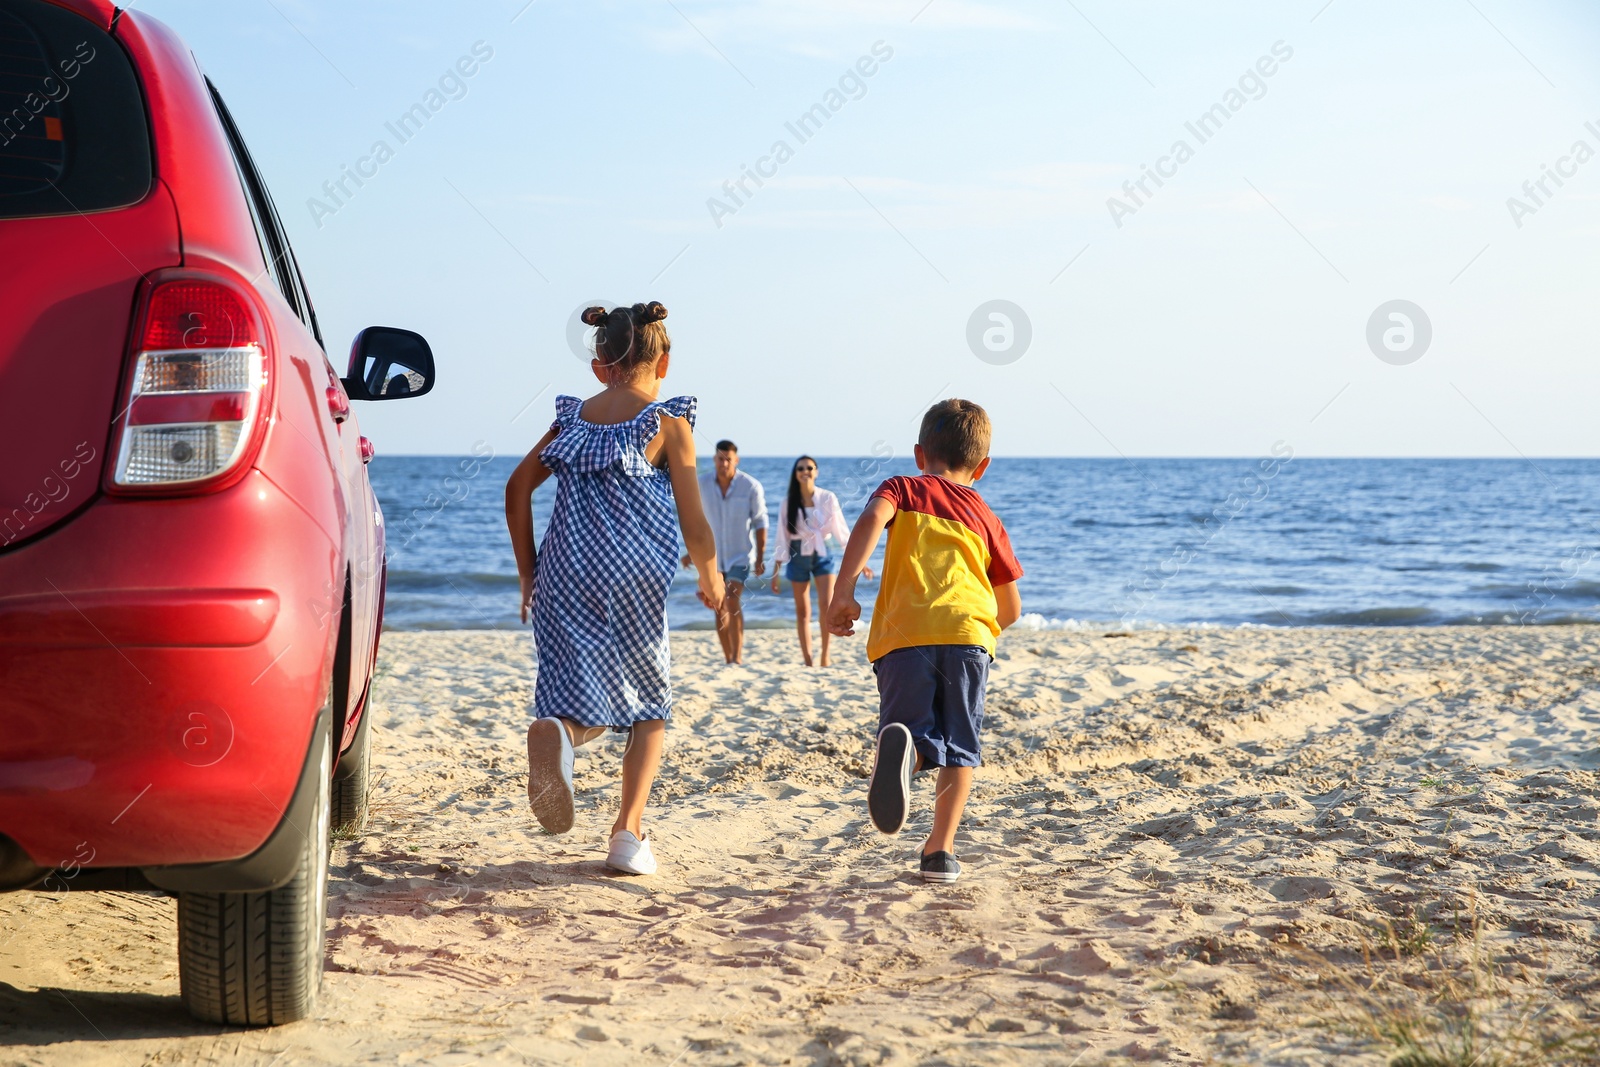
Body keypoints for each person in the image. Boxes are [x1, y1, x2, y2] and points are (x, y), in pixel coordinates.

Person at [504, 301, 723, 876]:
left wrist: (529, 570)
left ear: (599, 366)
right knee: (649, 706)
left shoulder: (571, 422)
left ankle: (562, 733)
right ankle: (628, 833)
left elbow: (516, 488)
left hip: (562, 573)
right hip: (631, 580)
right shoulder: (668, 424)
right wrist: (711, 575)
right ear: (665, 362)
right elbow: (694, 522)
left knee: (582, 697)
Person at [825, 399, 1022, 884]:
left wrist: (844, 589)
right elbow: (1011, 607)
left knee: (908, 728)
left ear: (919, 454)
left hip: (903, 635)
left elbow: (871, 520)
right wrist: (980, 631)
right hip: (967, 636)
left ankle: (907, 755)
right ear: (983, 466)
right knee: (960, 748)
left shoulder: (902, 488)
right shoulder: (986, 517)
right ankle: (939, 851)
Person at [770, 456, 862, 667]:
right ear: (795, 473)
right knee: (803, 611)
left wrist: (860, 561)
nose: (805, 471)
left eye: (809, 468)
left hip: (823, 553)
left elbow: (841, 530)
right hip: (796, 555)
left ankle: (825, 656)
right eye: (800, 468)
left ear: (816, 471)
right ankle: (808, 658)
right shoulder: (788, 502)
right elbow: (781, 537)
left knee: (826, 607)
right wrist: (775, 571)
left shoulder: (828, 498)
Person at [685, 441, 767, 665]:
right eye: (720, 459)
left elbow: (760, 522)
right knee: (717, 606)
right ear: (714, 460)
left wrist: (760, 557)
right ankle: (728, 658)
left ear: (736, 460)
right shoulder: (701, 484)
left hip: (740, 556)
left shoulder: (751, 486)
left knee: (731, 600)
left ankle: (737, 656)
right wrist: (690, 553)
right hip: (711, 557)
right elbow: (692, 520)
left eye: (728, 459)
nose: (724, 463)